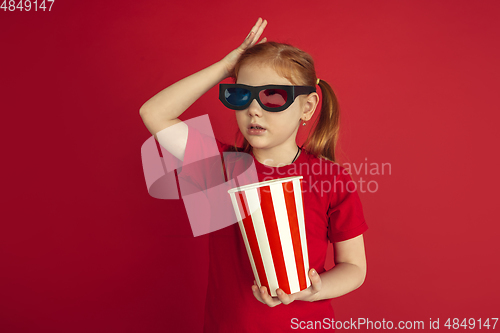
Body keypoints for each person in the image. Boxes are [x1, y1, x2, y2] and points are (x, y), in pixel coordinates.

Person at [140, 17, 368, 332]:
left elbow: (354, 267)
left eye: (273, 96)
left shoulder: (329, 178)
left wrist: (316, 289)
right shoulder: (221, 165)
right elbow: (154, 113)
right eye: (241, 95)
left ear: (307, 106)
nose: (254, 110)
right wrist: (224, 68)